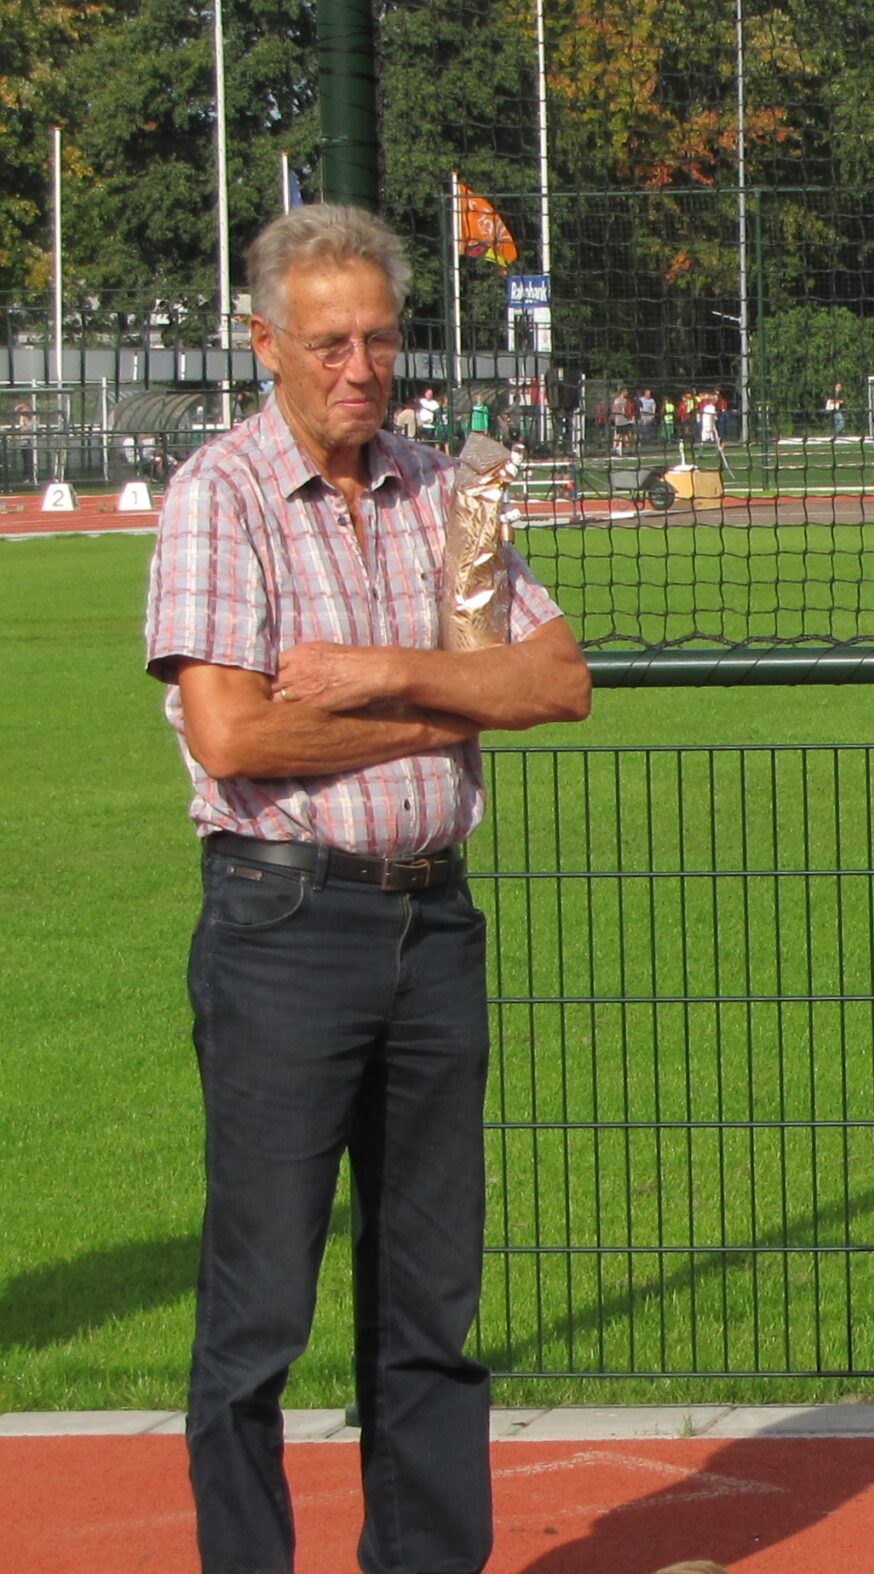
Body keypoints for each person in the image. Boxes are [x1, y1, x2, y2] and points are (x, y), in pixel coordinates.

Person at [142, 202, 593, 1573]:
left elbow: (559, 680)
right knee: (261, 1305)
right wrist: (458, 703)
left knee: (428, 1304)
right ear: (265, 343)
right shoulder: (220, 497)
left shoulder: (448, 494)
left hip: (433, 922)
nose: (360, 366)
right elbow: (235, 733)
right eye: (329, 341)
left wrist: (386, 671)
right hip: (284, 925)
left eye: (381, 338)